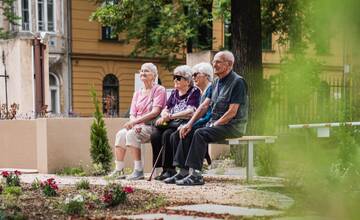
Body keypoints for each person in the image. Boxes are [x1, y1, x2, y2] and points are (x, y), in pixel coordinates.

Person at [177, 51, 249, 185]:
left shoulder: (238, 82)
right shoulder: (216, 83)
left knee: (200, 133)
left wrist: (214, 124)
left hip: (233, 126)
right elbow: (204, 106)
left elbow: (232, 112)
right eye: (213, 61)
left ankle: (196, 175)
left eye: (218, 62)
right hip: (218, 125)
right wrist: (189, 124)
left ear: (229, 64)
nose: (214, 64)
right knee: (189, 131)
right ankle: (183, 172)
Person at [109, 63, 166, 180]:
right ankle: (119, 169)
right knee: (120, 134)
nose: (143, 73)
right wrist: (133, 123)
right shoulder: (137, 93)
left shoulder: (159, 90)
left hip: (151, 126)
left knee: (131, 134)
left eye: (147, 71)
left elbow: (155, 112)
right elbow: (132, 113)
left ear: (154, 75)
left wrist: (135, 123)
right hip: (137, 125)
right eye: (142, 71)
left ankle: (138, 170)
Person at [164, 62, 213, 184]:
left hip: (208, 124)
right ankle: (182, 171)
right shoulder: (202, 91)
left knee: (185, 132)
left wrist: (190, 124)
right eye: (193, 75)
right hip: (198, 123)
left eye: (196, 74)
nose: (194, 77)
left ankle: (192, 173)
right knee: (175, 134)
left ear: (206, 76)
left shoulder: (209, 89)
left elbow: (208, 114)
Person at [150, 65, 201, 181]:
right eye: (174, 77)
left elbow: (190, 112)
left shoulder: (194, 92)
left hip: (183, 123)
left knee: (167, 134)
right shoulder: (174, 92)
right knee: (155, 135)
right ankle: (163, 169)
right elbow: (166, 108)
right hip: (171, 122)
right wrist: (164, 115)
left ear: (187, 81)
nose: (175, 80)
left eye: (178, 78)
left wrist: (170, 116)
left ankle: (171, 169)